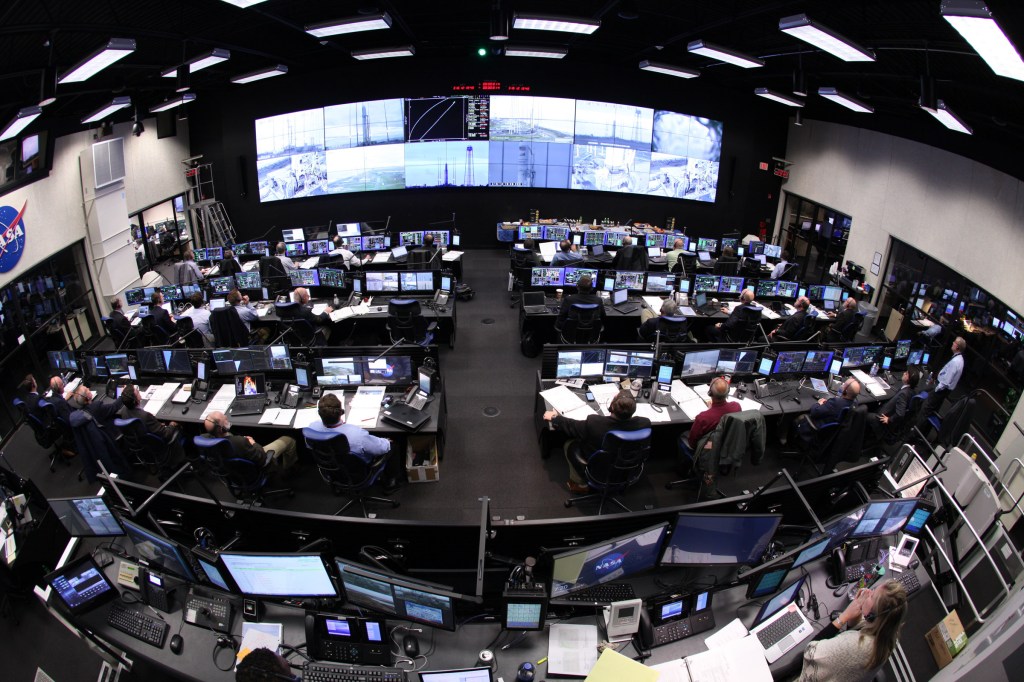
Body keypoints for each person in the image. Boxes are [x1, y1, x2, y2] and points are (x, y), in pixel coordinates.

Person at [797, 580, 909, 682]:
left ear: (873, 616)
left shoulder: (856, 646)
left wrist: (843, 617)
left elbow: (810, 651)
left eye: (872, 596)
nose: (868, 592)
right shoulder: (889, 633)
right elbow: (860, 629)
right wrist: (857, 611)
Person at [544, 390, 651, 493]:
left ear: (612, 406)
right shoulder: (645, 424)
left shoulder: (595, 423)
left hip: (599, 472)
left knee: (569, 444)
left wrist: (554, 418)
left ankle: (580, 484)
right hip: (627, 471)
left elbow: (571, 426)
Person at [306, 393, 402, 492]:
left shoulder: (312, 428)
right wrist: (386, 441)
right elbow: (381, 448)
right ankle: (391, 484)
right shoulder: (357, 434)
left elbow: (309, 446)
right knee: (392, 445)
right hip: (359, 475)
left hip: (332, 473)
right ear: (341, 412)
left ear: (319, 413)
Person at [203, 410, 298, 472]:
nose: (226, 417)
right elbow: (262, 458)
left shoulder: (205, 440)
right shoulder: (240, 442)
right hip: (255, 468)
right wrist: (253, 443)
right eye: (225, 419)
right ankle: (288, 471)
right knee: (289, 440)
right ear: (221, 429)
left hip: (234, 475)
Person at [796, 378, 860, 444]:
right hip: (834, 435)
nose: (842, 385)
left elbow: (814, 412)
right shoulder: (855, 404)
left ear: (845, 391)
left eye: (844, 384)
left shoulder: (835, 402)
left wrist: (819, 403)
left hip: (820, 430)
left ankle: (793, 443)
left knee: (799, 418)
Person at [119, 383, 183, 448]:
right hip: (158, 446)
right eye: (137, 392)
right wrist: (172, 424)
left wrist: (155, 423)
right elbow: (166, 434)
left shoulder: (124, 410)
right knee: (179, 424)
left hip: (141, 445)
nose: (139, 391)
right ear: (135, 400)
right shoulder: (145, 416)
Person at [687, 377, 741, 448]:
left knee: (682, 436)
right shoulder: (736, 406)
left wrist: (710, 411)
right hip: (728, 446)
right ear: (727, 392)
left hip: (708, 451)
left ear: (710, 393)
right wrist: (711, 409)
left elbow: (692, 443)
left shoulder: (702, 418)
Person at [870, 367, 920, 443]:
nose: (904, 373)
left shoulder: (904, 394)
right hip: (890, 418)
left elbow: (900, 414)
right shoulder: (911, 391)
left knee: (863, 413)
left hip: (881, 418)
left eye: (906, 373)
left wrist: (889, 419)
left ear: (908, 379)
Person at [921, 336, 966, 422]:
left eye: (954, 342)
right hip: (944, 391)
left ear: (957, 347)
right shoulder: (960, 360)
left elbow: (946, 382)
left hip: (940, 390)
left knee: (925, 409)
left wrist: (935, 390)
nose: (953, 343)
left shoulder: (955, 362)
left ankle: (914, 432)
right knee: (932, 410)